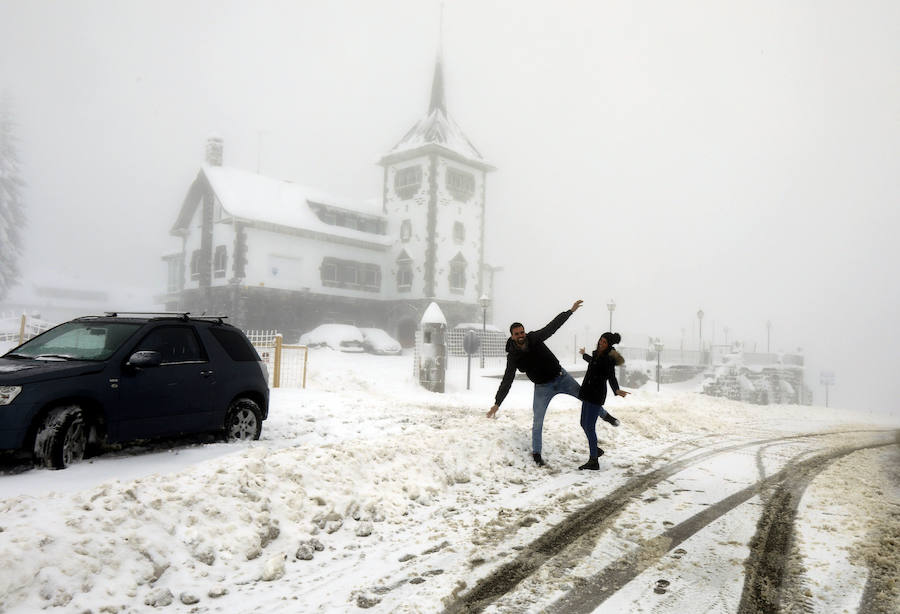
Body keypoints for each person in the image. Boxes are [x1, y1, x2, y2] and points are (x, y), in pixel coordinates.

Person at [486, 300, 583, 466]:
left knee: (586, 396)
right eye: (517, 334)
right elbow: (507, 380)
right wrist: (497, 403)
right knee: (537, 422)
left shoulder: (534, 338)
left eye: (522, 332)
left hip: (561, 377)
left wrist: (570, 311)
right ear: (512, 336)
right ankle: (537, 454)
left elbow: (552, 327)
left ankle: (606, 416)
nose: (520, 335)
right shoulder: (513, 356)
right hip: (542, 388)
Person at [576, 332, 630, 470]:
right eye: (601, 340)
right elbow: (592, 361)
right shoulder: (597, 354)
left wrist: (616, 390)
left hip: (596, 394)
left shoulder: (608, 359)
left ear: (609, 345)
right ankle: (595, 449)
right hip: (587, 392)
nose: (601, 343)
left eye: (604, 342)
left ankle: (594, 461)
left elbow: (611, 376)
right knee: (583, 423)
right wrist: (584, 355)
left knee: (589, 426)